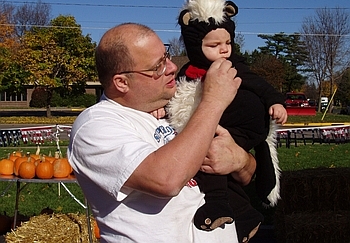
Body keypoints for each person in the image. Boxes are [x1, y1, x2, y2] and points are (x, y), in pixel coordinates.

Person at [67, 22, 257, 243]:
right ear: (121, 82)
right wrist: (214, 101)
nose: (172, 67)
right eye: (157, 66)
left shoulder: (178, 111)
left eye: (166, 55)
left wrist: (241, 161)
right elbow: (166, 180)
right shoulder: (95, 125)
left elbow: (246, 176)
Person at [166, 0, 288, 242]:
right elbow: (177, 94)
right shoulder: (188, 72)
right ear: (195, 45)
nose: (223, 49)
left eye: (227, 42)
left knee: (206, 155)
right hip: (226, 124)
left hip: (244, 120)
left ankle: (218, 203)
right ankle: (244, 215)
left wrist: (275, 101)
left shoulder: (231, 67)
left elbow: (258, 83)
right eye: (214, 45)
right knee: (211, 158)